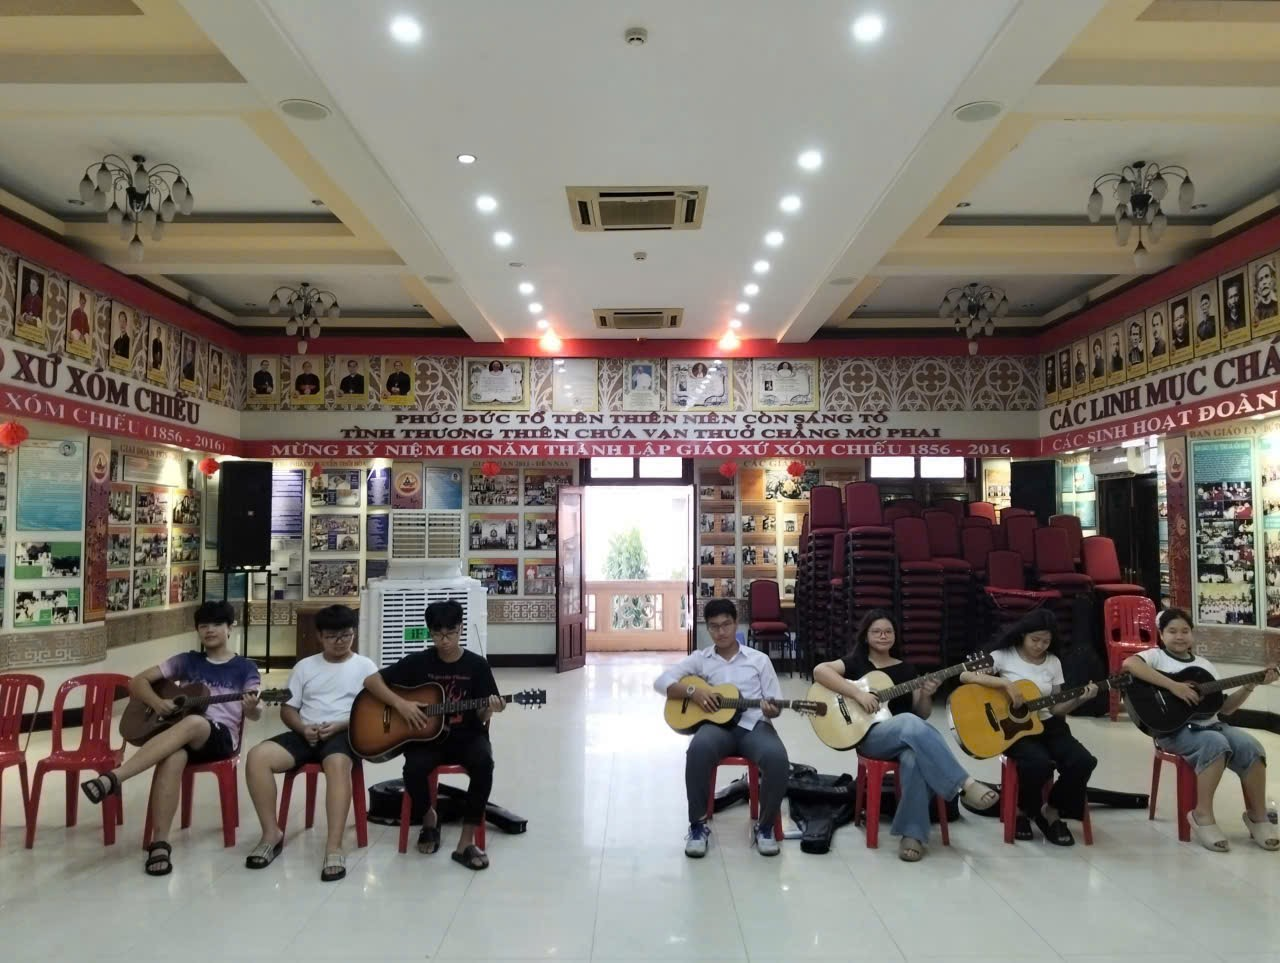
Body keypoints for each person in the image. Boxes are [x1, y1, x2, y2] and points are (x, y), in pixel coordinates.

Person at [79, 601, 261, 876]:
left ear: (230, 628)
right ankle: (160, 843)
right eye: (203, 625)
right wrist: (158, 703)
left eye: (216, 624)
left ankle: (115, 778)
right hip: (181, 734)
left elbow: (256, 713)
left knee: (194, 722)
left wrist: (252, 707)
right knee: (173, 756)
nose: (209, 630)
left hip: (220, 738)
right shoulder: (187, 660)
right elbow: (137, 682)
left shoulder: (245, 667)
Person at [812, 611, 998, 861]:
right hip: (870, 737)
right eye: (876, 632)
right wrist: (858, 694)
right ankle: (964, 784)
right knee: (908, 722)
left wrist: (926, 694)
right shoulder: (855, 662)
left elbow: (921, 715)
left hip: (905, 737)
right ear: (866, 636)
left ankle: (913, 834)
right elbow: (820, 671)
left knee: (914, 758)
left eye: (888, 631)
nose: (883, 636)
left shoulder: (907, 669)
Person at [1122, 608, 1278, 853]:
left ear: (1192, 635)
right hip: (1174, 731)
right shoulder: (1156, 657)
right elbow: (1129, 664)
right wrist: (1174, 686)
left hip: (1212, 725)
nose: (1179, 636)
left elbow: (1225, 708)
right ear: (1161, 635)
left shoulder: (1204, 666)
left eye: (1185, 631)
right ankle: (1202, 814)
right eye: (1172, 631)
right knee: (1215, 743)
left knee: (1251, 747)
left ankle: (1257, 816)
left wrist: (1251, 685)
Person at [362, 599, 503, 870]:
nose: (444, 640)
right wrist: (400, 704)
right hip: (426, 738)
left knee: (484, 764)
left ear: (461, 629)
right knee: (413, 769)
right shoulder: (418, 662)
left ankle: (466, 842)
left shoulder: (476, 666)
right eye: (437, 634)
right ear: (430, 632)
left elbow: (483, 716)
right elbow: (371, 681)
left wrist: (490, 709)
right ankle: (429, 818)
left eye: (451, 633)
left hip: (467, 735)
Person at [243, 604, 376, 880]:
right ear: (319, 636)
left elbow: (373, 713)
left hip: (344, 733)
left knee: (337, 764)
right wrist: (303, 729)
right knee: (257, 757)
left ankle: (334, 845)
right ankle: (271, 834)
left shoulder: (365, 667)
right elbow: (288, 709)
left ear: (354, 633)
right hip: (306, 733)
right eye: (332, 636)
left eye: (346, 635)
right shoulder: (305, 666)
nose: (339, 641)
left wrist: (340, 725)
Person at [653, 598, 789, 858]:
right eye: (714, 626)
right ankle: (697, 826)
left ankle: (765, 827)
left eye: (726, 624)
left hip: (754, 725)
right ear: (707, 628)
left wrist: (773, 709)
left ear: (736, 624)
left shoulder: (759, 660)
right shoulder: (701, 659)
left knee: (777, 758)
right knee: (697, 751)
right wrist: (693, 692)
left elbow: (775, 703)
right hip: (716, 727)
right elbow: (661, 682)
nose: (721, 632)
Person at [959, 609, 1097, 846]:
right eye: (1035, 640)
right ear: (1023, 635)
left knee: (1084, 761)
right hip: (1013, 729)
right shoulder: (1003, 655)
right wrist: (1004, 683)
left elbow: (1056, 708)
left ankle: (1051, 809)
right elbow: (965, 676)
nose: (1040, 646)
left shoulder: (1053, 662)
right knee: (1038, 763)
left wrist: (1079, 699)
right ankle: (1022, 809)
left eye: (1046, 641)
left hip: (1049, 725)